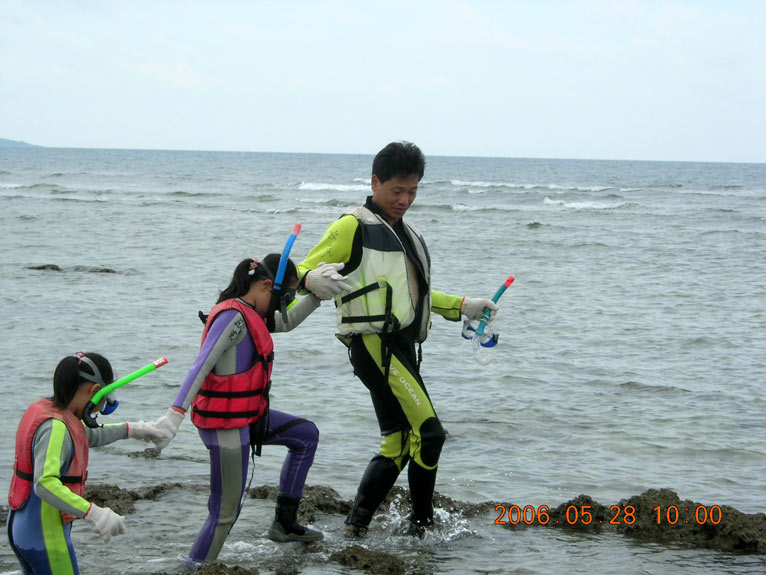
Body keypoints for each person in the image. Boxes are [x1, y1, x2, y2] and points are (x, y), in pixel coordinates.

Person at [297, 141, 499, 537]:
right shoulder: (351, 226)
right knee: (430, 434)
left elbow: (413, 295)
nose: (405, 200)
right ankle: (421, 527)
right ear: (375, 182)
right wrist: (308, 280)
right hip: (374, 346)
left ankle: (356, 526)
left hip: (402, 348)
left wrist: (463, 305)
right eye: (397, 191)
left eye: (413, 191)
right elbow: (300, 268)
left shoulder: (409, 233)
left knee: (399, 441)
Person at [151, 253, 343, 565]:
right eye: (285, 298)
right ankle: (195, 568)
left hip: (247, 416)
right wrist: (174, 416)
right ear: (266, 286)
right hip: (224, 426)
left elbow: (286, 322)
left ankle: (285, 523)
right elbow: (201, 364)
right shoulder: (232, 317)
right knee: (225, 514)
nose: (284, 306)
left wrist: (316, 296)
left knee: (305, 435)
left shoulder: (252, 312)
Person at [7, 352, 168, 575]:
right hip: (45, 536)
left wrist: (135, 430)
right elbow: (44, 483)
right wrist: (93, 513)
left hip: (23, 528)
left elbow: (84, 436)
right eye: (104, 399)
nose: (101, 408)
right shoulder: (55, 427)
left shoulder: (50, 412)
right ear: (94, 391)